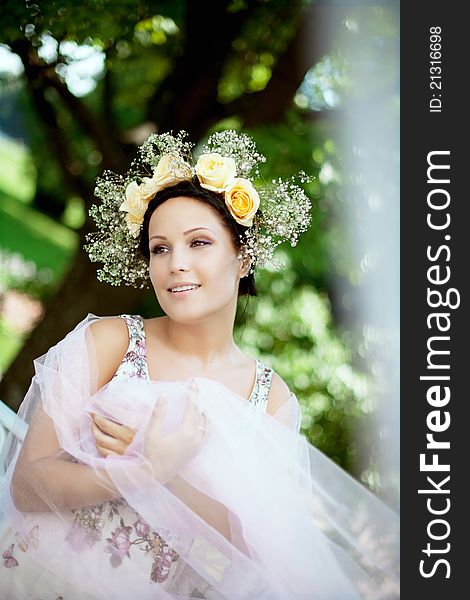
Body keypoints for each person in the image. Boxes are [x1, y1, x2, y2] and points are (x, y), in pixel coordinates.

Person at [0, 131, 399, 599]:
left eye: (199, 243)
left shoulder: (268, 398)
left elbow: (254, 548)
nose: (176, 265)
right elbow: (27, 485)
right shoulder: (108, 341)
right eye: (160, 248)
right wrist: (140, 471)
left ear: (243, 257)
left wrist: (168, 474)